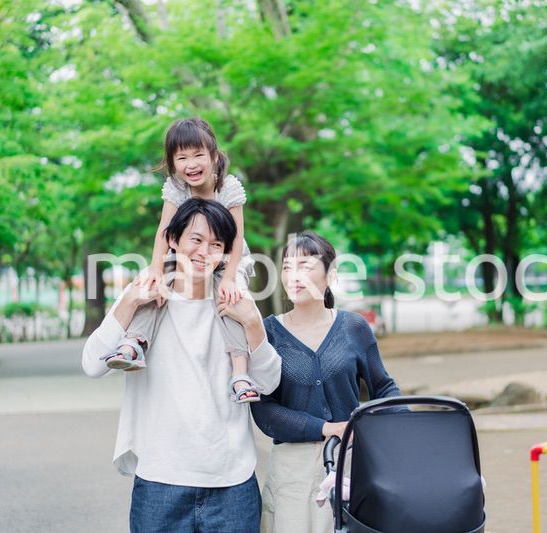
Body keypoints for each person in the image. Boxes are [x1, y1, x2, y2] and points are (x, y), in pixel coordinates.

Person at [82, 198, 281, 532]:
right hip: (160, 480)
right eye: (196, 239)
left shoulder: (236, 300)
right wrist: (130, 300)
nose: (204, 252)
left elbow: (269, 382)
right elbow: (92, 365)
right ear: (173, 240)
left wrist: (253, 324)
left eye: (216, 245)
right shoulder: (144, 296)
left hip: (231, 482)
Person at [251, 232, 401, 533]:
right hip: (292, 474)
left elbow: (383, 388)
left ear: (331, 274)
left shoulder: (354, 327)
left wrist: (409, 430)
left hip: (350, 464)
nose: (293, 276)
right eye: (287, 267)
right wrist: (325, 428)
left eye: (305, 266)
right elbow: (263, 409)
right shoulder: (269, 332)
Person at [108, 116, 259, 401]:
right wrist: (156, 268)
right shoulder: (177, 188)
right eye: (182, 158)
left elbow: (237, 239)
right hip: (187, 253)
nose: (191, 164)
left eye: (198, 155)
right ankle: (134, 343)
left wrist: (229, 278)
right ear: (172, 162)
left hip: (229, 256)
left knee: (231, 300)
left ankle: (240, 372)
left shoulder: (228, 188)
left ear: (214, 157)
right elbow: (164, 232)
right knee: (153, 286)